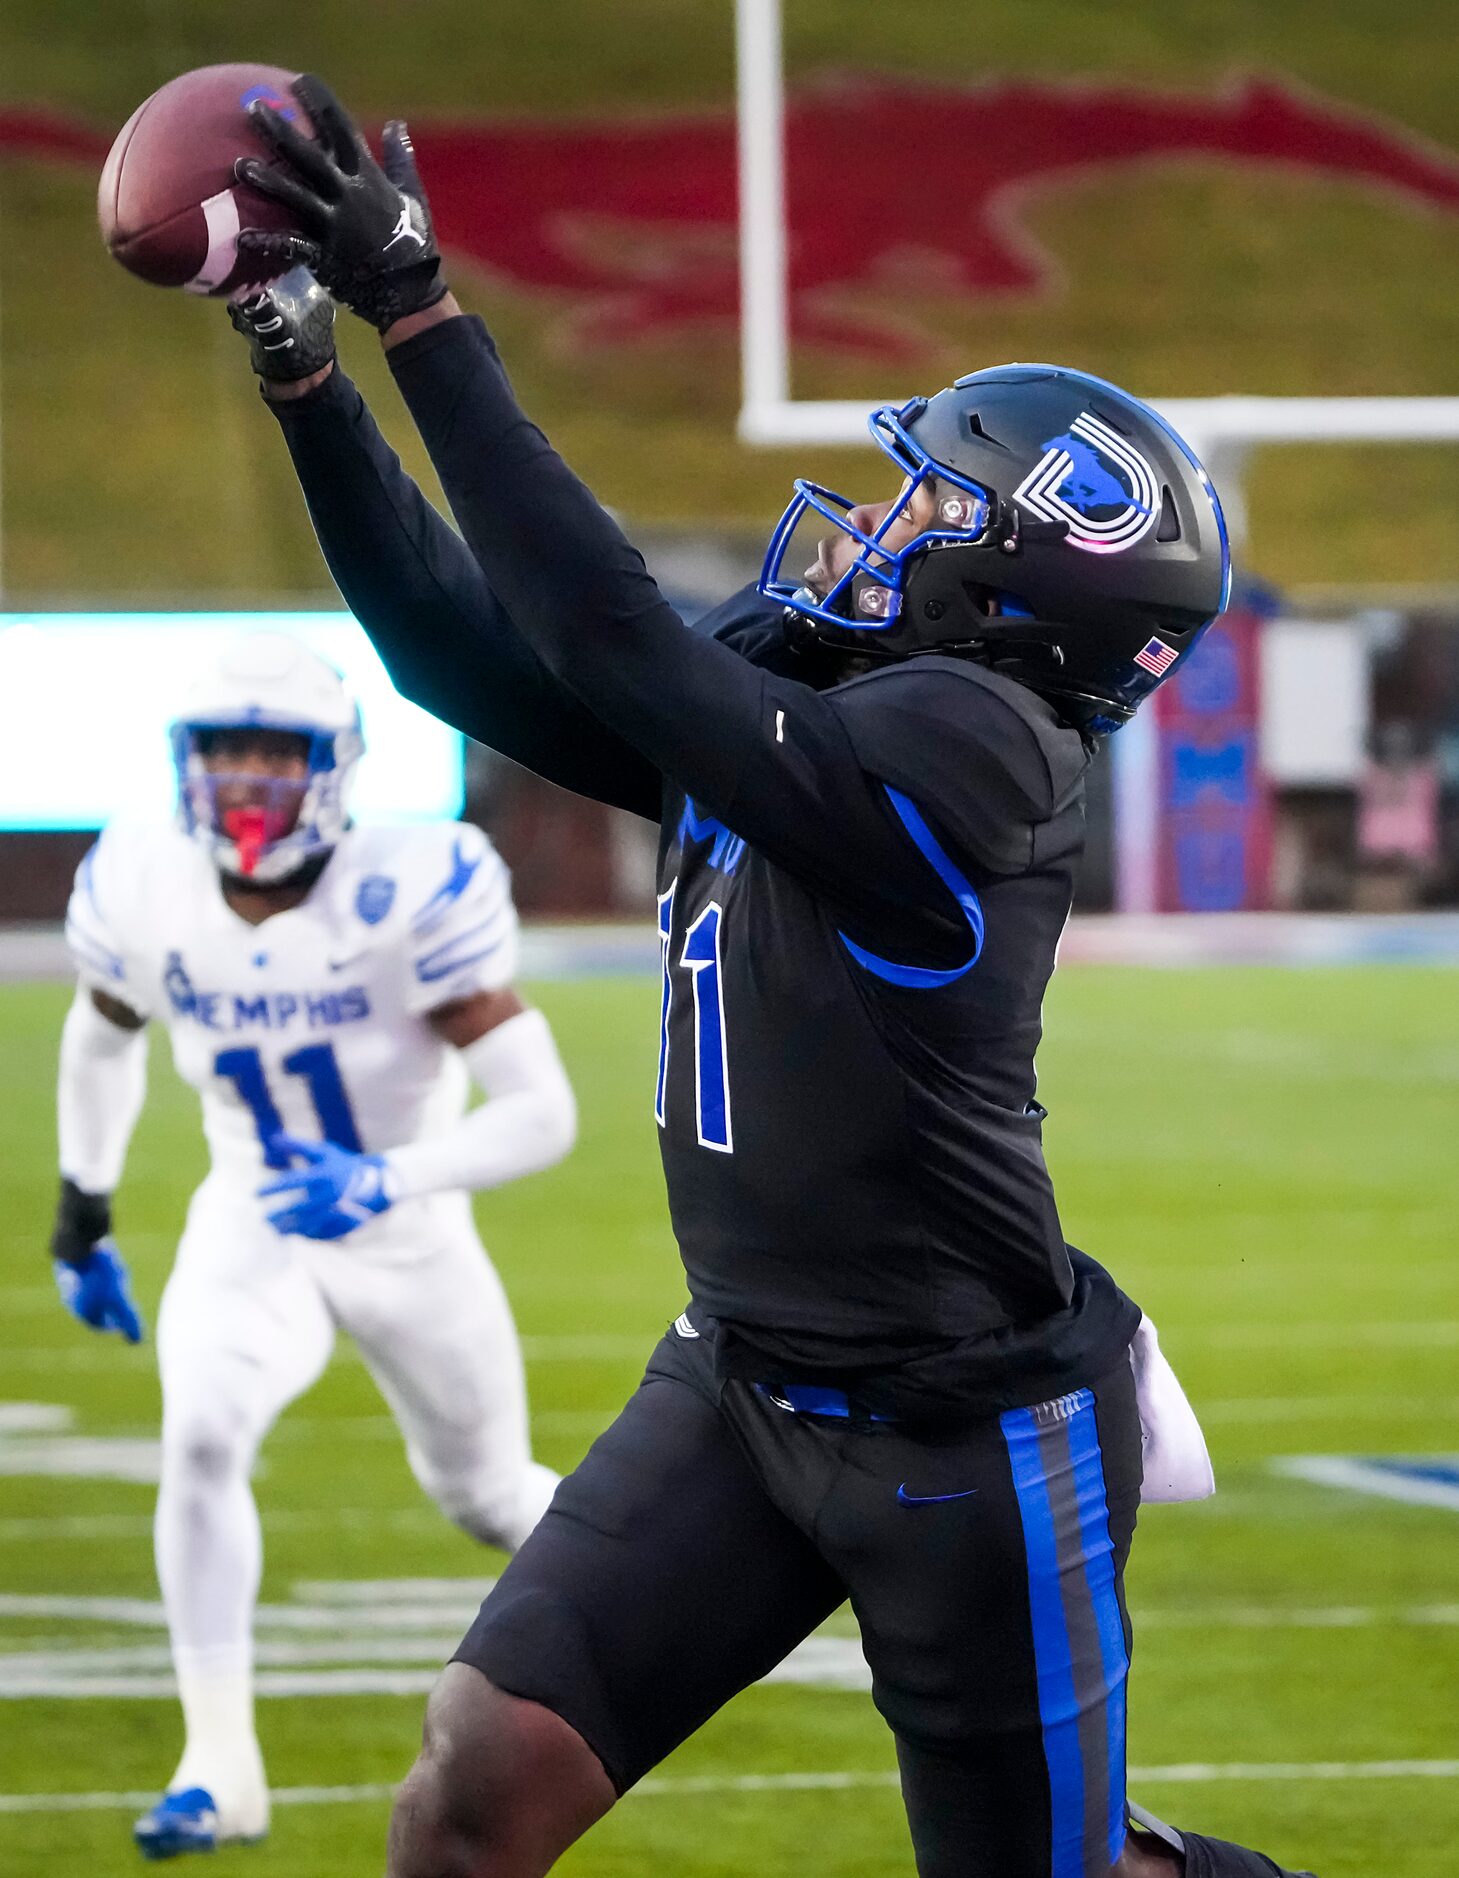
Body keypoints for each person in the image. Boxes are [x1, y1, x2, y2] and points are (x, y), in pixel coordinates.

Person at [216, 74, 1315, 1878]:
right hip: (745, 1380)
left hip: (964, 1433)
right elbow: (461, 657)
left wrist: (417, 304)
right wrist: (303, 370)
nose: (881, 521)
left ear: (1015, 570)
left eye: (928, 500)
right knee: (471, 1791)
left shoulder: (975, 753)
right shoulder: (843, 699)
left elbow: (607, 630)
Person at [51, 631, 576, 1860]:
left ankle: (693, 1606)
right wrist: (84, 1209)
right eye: (221, 751)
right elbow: (100, 1033)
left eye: (273, 752)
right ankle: (218, 1767)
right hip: (255, 1219)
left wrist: (388, 1175)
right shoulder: (142, 876)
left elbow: (543, 1113)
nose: (243, 779)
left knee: (493, 1497)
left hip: (407, 1230)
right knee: (199, 1435)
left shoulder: (411, 884)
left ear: (332, 767)